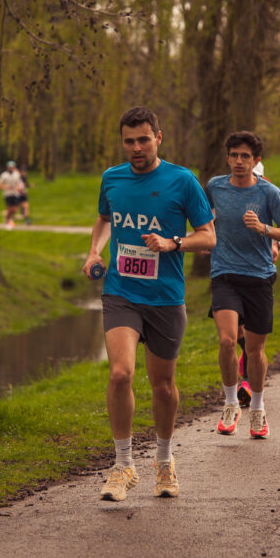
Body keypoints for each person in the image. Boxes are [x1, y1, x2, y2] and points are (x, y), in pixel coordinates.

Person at [83, 107, 215, 501]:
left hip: (165, 298)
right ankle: (123, 466)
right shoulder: (112, 178)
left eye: (144, 139)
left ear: (159, 137)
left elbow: (208, 237)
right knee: (120, 374)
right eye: (129, 141)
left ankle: (164, 460)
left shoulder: (183, 180)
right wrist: (93, 251)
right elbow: (105, 219)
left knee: (162, 385)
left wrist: (175, 243)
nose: (136, 147)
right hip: (121, 291)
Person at [207, 131, 280, 439]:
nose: (239, 161)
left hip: (259, 277)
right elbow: (203, 218)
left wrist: (263, 228)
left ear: (256, 161)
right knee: (227, 341)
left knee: (256, 351)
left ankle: (257, 408)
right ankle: (231, 403)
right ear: (227, 157)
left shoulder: (270, 193)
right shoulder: (215, 187)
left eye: (246, 156)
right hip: (224, 274)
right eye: (234, 155)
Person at [0, 160, 24, 229]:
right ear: (7, 167)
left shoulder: (16, 174)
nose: (11, 168)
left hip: (15, 193)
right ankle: (8, 221)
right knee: (10, 208)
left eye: (12, 167)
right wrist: (5, 187)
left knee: (14, 209)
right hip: (7, 194)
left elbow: (18, 183)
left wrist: (19, 188)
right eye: (10, 167)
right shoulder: (4, 175)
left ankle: (7, 217)